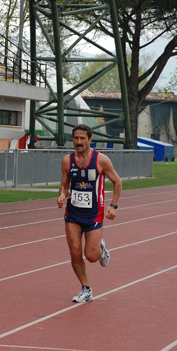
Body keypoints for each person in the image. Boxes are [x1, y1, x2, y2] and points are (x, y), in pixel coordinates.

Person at [57, 124, 122, 303]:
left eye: (82, 139)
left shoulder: (101, 160)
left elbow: (117, 182)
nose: (78, 142)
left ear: (90, 140)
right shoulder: (67, 161)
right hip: (73, 213)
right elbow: (64, 184)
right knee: (75, 252)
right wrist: (62, 195)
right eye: (76, 138)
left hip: (94, 214)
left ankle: (100, 248)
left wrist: (113, 206)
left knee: (91, 256)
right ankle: (86, 289)